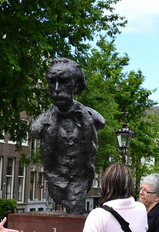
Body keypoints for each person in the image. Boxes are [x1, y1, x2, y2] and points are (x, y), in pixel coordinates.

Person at [30, 57, 104, 214]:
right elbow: (35, 131)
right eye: (52, 82)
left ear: (75, 85)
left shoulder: (88, 116)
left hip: (80, 180)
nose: (57, 88)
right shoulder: (44, 120)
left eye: (63, 81)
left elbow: (100, 122)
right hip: (55, 179)